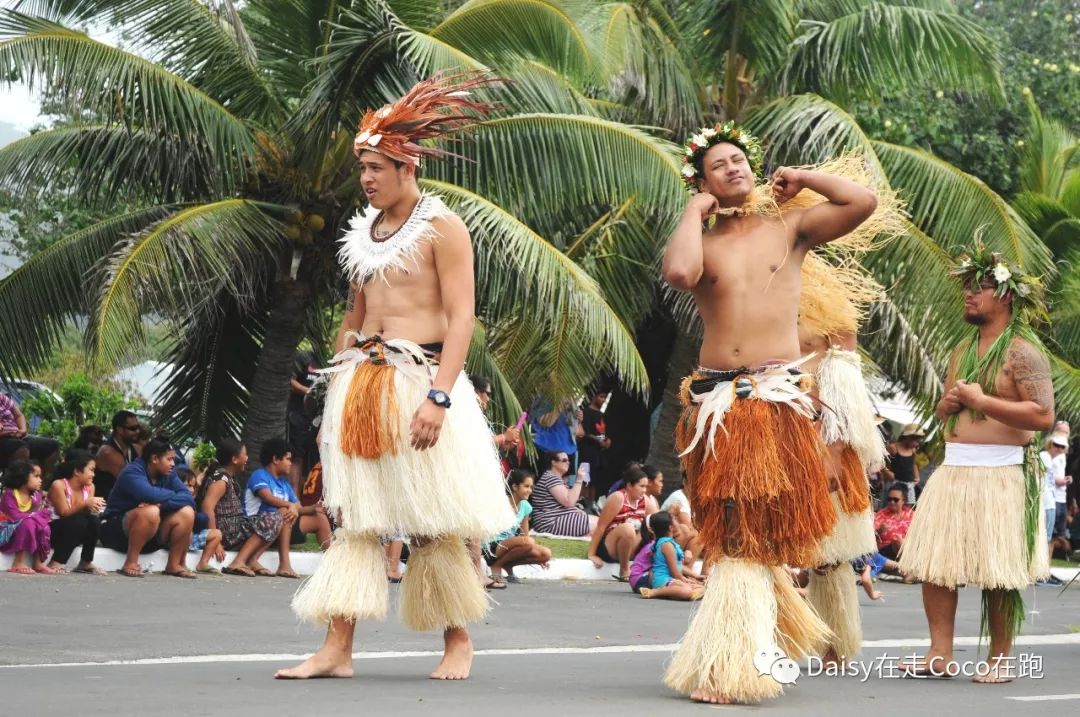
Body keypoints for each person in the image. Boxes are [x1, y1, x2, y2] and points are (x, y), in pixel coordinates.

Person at [278, 72, 516, 682]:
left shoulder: (444, 228)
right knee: (358, 516)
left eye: (376, 167)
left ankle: (457, 641)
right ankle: (338, 648)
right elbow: (353, 316)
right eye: (362, 168)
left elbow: (462, 319)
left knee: (431, 519)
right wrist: (336, 384)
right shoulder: (362, 233)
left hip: (421, 377)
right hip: (363, 381)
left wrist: (439, 396)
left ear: (406, 166)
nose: (365, 178)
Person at [660, 121, 883, 704]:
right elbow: (679, 274)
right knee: (730, 530)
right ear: (702, 181)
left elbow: (862, 201)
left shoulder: (791, 227)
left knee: (750, 534)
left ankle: (732, 662)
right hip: (715, 403)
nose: (732, 167)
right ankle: (751, 646)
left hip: (773, 398)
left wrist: (805, 178)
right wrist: (693, 211)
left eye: (739, 159)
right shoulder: (702, 243)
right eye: (718, 165)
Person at [899, 244, 1054, 683]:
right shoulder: (960, 350)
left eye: (980, 288)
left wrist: (982, 400)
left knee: (999, 570)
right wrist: (946, 405)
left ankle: (1001, 659)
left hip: (1002, 472)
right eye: (968, 287)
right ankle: (939, 653)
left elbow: (1043, 416)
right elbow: (946, 412)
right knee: (937, 563)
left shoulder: (1023, 353)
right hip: (955, 469)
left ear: (1004, 296)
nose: (969, 295)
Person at [100, 437, 197, 578]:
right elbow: (150, 494)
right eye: (169, 459)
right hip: (116, 532)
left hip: (150, 534)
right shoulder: (132, 472)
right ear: (155, 459)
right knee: (150, 512)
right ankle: (131, 562)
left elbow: (188, 498)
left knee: (187, 512)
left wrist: (160, 503)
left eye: (173, 459)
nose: (173, 464)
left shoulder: (169, 473)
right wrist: (164, 498)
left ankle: (174, 565)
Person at [244, 437, 331, 579]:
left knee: (318, 518)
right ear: (275, 459)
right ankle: (284, 564)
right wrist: (290, 506)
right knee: (285, 512)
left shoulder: (284, 484)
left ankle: (333, 562)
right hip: (257, 528)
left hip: (281, 528)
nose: (291, 464)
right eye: (288, 459)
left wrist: (315, 508)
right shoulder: (259, 475)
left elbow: (298, 508)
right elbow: (267, 497)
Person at [197, 438, 285, 578]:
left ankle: (252, 560)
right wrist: (216, 541)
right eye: (245, 454)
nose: (247, 458)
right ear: (235, 459)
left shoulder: (228, 477)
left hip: (235, 527)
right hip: (226, 530)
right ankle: (238, 562)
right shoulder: (221, 480)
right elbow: (207, 507)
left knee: (280, 516)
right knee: (272, 519)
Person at [485, 469, 551, 587]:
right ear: (515, 487)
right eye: (526, 486)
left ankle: (505, 564)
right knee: (529, 542)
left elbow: (524, 535)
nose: (530, 490)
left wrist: (536, 555)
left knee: (545, 554)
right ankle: (496, 565)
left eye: (531, 487)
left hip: (508, 545)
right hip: (492, 546)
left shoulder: (525, 506)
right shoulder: (500, 503)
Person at [46, 450, 106, 574]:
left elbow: (86, 515)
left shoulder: (90, 487)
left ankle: (85, 562)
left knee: (94, 521)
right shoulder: (59, 485)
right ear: (77, 471)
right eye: (91, 470)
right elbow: (63, 513)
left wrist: (94, 507)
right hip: (51, 531)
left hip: (74, 530)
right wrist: (85, 503)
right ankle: (56, 561)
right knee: (78, 521)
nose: (93, 474)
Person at [588, 466, 652, 580]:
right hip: (610, 546)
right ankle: (624, 570)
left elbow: (658, 522)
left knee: (652, 526)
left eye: (646, 486)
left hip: (631, 547)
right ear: (629, 486)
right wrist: (591, 554)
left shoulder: (645, 500)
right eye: (641, 486)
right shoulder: (618, 497)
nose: (644, 490)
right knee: (628, 529)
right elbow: (601, 527)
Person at [0, 460, 53, 574]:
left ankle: (38, 563)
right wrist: (36, 516)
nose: (40, 480)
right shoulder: (10, 494)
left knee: (44, 527)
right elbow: (14, 516)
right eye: (36, 476)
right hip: (6, 530)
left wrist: (38, 516)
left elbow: (44, 513)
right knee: (28, 523)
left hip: (26, 526)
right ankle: (18, 562)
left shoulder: (36, 496)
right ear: (22, 477)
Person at [639, 511, 704, 601]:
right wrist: (685, 580)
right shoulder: (667, 545)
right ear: (670, 527)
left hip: (672, 580)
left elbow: (679, 566)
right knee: (687, 590)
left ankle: (676, 593)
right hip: (663, 580)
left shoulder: (670, 543)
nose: (676, 522)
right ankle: (654, 592)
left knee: (704, 588)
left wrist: (694, 578)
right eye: (674, 520)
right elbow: (675, 572)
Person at [530, 451, 596, 537]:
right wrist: (579, 479)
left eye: (569, 460)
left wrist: (577, 510)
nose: (568, 462)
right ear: (553, 462)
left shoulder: (554, 478)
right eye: (564, 460)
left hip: (555, 519)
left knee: (600, 523)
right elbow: (569, 502)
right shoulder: (550, 478)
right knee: (599, 525)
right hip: (550, 522)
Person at [178, 467, 224, 575]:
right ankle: (181, 563)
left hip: (192, 539)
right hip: (178, 539)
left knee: (216, 534)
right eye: (188, 485)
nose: (191, 490)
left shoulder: (191, 500)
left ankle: (203, 563)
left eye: (193, 487)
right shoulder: (175, 499)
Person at [0, 392, 60, 473]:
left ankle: (39, 482)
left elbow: (18, 415)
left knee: (52, 446)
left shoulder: (2, 397)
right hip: (3, 439)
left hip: (17, 435)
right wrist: (6, 432)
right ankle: (16, 483)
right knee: (21, 448)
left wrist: (23, 430)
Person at [1039, 435, 1069, 585]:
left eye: (1062, 446)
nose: (1059, 448)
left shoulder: (1050, 459)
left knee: (1048, 538)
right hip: (1046, 501)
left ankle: (1044, 571)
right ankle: (1041, 573)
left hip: (1050, 500)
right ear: (1050, 444)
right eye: (1056, 445)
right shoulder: (1044, 456)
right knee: (1045, 539)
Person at [94, 410, 140, 500]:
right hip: (107, 504)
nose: (137, 431)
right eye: (133, 428)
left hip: (126, 499)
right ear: (119, 430)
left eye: (138, 427)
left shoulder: (135, 448)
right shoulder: (108, 453)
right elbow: (130, 483)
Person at [577, 387, 612, 497]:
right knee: (585, 479)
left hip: (598, 454)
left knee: (594, 481)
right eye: (601, 397)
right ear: (594, 397)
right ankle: (582, 501)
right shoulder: (585, 412)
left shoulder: (602, 415)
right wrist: (598, 440)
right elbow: (584, 433)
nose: (603, 400)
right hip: (587, 451)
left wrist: (608, 441)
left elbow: (605, 433)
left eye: (605, 398)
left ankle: (591, 503)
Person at [883, 425, 924, 504]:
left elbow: (913, 463)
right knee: (892, 506)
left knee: (907, 510)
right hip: (895, 484)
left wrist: (917, 477)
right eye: (916, 440)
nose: (918, 443)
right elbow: (879, 460)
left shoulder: (912, 449)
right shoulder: (893, 447)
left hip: (909, 485)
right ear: (908, 437)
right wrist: (886, 472)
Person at [874, 484, 914, 560]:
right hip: (885, 550)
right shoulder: (881, 515)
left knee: (901, 541)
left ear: (903, 501)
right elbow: (871, 536)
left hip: (907, 548)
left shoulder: (911, 515)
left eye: (896, 500)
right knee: (897, 540)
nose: (892, 502)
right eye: (889, 499)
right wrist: (879, 531)